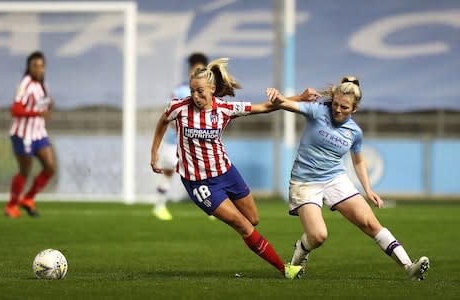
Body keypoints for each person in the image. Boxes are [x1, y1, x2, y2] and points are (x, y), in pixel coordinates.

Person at [150, 58, 305, 279]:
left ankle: (247, 232)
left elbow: (265, 107)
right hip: (199, 183)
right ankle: (285, 269)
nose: (196, 96)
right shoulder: (179, 107)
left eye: (200, 91)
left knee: (253, 220)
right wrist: (154, 152)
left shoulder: (225, 108)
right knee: (243, 225)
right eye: (193, 91)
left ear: (212, 89)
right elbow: (162, 122)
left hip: (227, 173)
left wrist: (300, 98)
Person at [269, 76, 430, 280]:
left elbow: (358, 161)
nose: (337, 109)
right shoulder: (318, 111)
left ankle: (410, 268)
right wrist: (278, 98)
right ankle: (298, 257)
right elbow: (286, 104)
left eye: (344, 107)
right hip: (305, 182)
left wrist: (368, 189)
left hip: (335, 179)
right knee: (318, 236)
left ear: (354, 109)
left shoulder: (355, 132)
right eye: (335, 104)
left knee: (370, 223)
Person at [153, 52, 209, 221]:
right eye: (193, 69)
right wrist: (180, 133)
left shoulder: (209, 91)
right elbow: (170, 115)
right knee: (169, 172)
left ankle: (212, 207)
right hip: (175, 142)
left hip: (198, 143)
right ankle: (159, 206)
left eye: (199, 69)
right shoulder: (181, 90)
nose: (195, 72)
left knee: (205, 174)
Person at [4, 51, 56, 218]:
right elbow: (16, 109)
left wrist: (48, 106)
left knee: (50, 167)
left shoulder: (42, 85)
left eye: (41, 66)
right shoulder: (24, 85)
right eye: (35, 66)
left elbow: (41, 106)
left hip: (39, 133)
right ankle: (11, 206)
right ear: (29, 68)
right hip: (23, 134)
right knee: (25, 171)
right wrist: (37, 114)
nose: (39, 69)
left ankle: (28, 198)